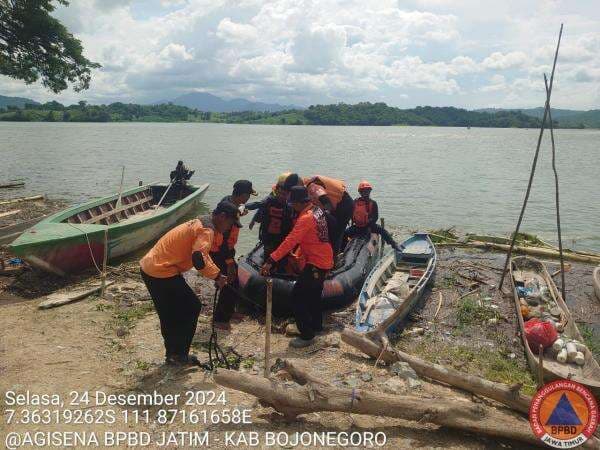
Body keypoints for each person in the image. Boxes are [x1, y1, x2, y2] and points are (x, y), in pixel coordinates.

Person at [139, 202, 240, 366]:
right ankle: (179, 354)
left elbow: (203, 255)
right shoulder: (207, 230)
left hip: (151, 267)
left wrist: (217, 274)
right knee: (192, 307)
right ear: (222, 217)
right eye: (230, 223)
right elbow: (198, 259)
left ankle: (174, 354)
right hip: (161, 271)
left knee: (170, 313)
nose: (230, 227)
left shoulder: (201, 222)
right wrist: (216, 276)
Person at [261, 186, 334, 348]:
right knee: (314, 296)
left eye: (293, 203)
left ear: (300, 203)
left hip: (316, 262)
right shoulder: (317, 210)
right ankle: (316, 326)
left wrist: (271, 260)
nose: (291, 206)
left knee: (297, 298)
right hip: (323, 259)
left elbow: (290, 242)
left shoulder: (306, 218)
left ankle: (307, 336)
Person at [210, 180, 258, 330]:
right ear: (243, 195)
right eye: (248, 195)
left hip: (226, 249)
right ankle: (220, 319)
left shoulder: (230, 203)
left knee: (234, 281)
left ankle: (229, 311)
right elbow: (222, 239)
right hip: (220, 250)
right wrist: (229, 260)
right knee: (228, 282)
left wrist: (239, 213)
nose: (248, 199)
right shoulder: (228, 209)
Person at [283, 173, 353, 255]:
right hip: (336, 202)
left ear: (298, 183)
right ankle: (342, 244)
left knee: (334, 233)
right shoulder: (306, 184)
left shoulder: (313, 188)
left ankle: (333, 258)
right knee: (334, 228)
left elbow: (327, 203)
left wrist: (325, 220)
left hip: (343, 204)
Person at [345, 180, 399, 250]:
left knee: (383, 231)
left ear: (369, 191)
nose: (365, 193)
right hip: (357, 227)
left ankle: (394, 245)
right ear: (360, 192)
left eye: (367, 191)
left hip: (369, 226)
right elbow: (351, 214)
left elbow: (375, 217)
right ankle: (343, 248)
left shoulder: (373, 203)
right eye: (363, 191)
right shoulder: (355, 202)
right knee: (344, 233)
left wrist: (368, 225)